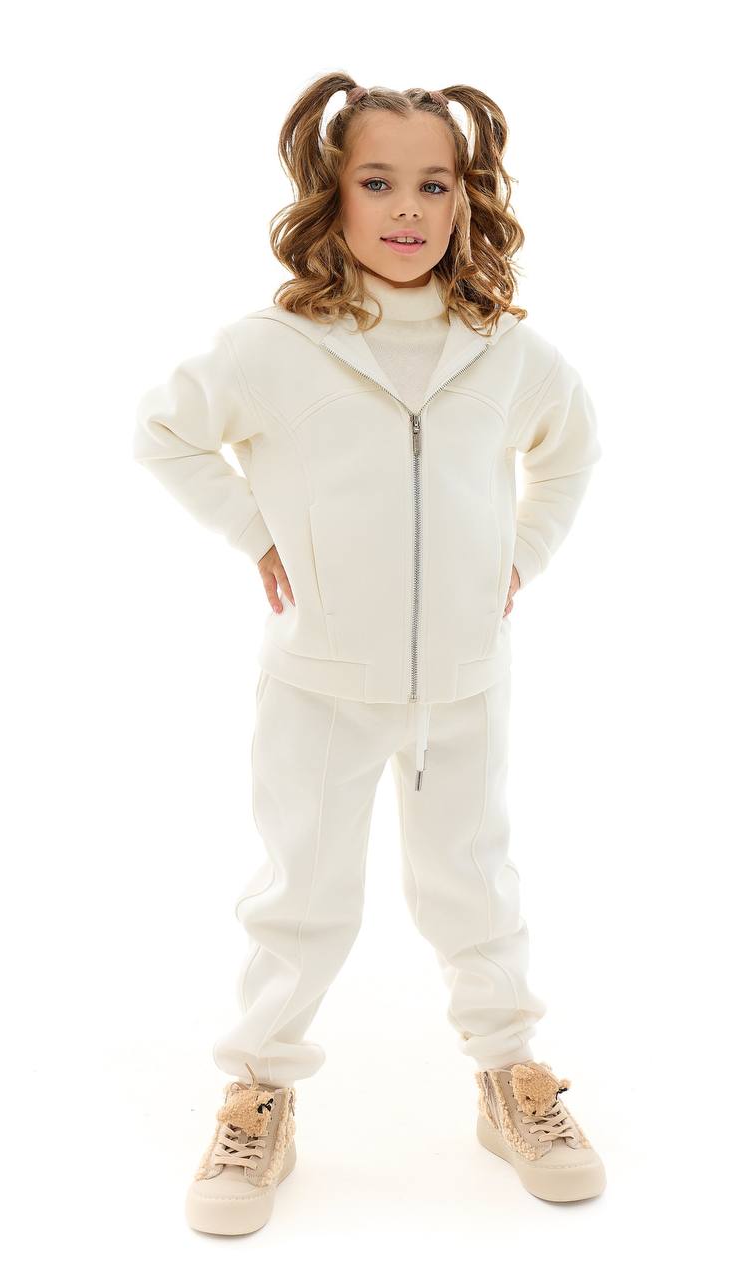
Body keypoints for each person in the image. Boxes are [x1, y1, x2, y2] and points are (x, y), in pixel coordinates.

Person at [133, 73, 606, 1235]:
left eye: (432, 185)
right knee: (301, 893)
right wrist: (257, 533)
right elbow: (166, 430)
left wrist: (519, 555)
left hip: (464, 682)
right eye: (377, 181)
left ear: (465, 198)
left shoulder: (502, 350)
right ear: (330, 194)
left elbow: (570, 450)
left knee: (474, 886)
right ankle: (259, 1092)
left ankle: (510, 1076)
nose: (406, 209)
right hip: (320, 682)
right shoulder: (276, 347)